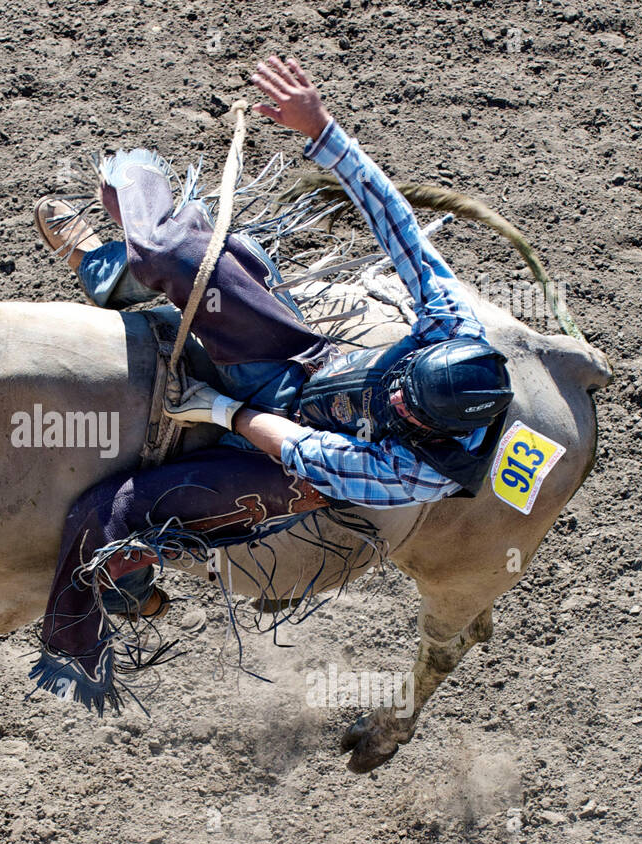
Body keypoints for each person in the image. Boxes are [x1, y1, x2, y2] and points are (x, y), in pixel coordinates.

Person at [29, 57, 514, 712]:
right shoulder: (450, 325)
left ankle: (100, 617)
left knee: (110, 513)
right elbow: (397, 225)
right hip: (302, 364)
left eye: (407, 409)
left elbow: (308, 455)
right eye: (403, 385)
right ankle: (121, 250)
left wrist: (222, 410)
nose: (395, 398)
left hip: (290, 462)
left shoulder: (426, 473)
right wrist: (323, 130)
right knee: (185, 261)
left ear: (438, 431)